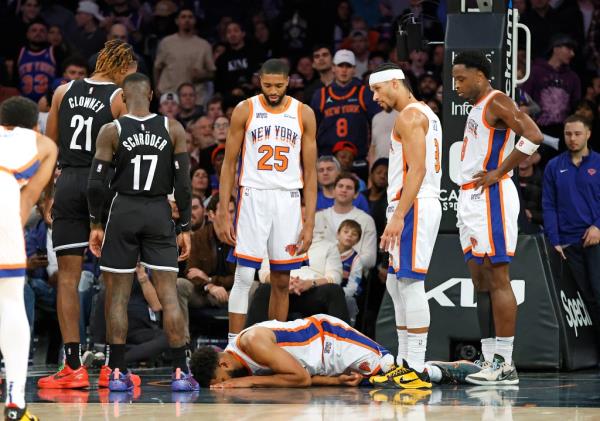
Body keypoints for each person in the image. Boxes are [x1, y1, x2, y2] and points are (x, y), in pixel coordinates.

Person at [86, 72, 198, 392]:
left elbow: (95, 183)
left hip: (123, 210)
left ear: (122, 97)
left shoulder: (112, 129)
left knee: (117, 297)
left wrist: (96, 223)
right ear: (150, 95)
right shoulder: (172, 127)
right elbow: (185, 186)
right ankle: (180, 372)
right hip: (158, 211)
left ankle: (118, 373)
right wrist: (185, 226)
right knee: (169, 296)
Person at [38, 39, 137, 390]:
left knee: (67, 277)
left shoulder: (62, 92)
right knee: (114, 278)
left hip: (67, 182)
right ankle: (113, 366)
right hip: (103, 185)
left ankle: (72, 365)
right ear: (122, 67)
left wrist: (46, 195)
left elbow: (48, 147)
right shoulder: (119, 97)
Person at [451, 51, 543, 385]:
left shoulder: (497, 100)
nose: (456, 85)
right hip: (469, 197)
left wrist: (500, 171)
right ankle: (488, 360)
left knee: (498, 277)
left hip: (491, 195)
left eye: (461, 78)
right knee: (480, 281)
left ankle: (505, 361)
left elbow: (533, 134)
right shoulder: (478, 107)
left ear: (480, 74)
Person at [214, 58, 317, 345]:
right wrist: (223, 209)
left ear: (289, 82)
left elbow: (311, 172)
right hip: (253, 197)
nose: (273, 90)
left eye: (279, 85)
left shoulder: (303, 113)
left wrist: (310, 221)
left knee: (282, 280)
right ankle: (234, 346)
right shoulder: (245, 109)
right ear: (259, 80)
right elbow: (228, 164)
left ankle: (273, 344)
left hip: (288, 199)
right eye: (267, 84)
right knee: (244, 275)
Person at [366, 63, 443, 389]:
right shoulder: (422, 113)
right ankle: (403, 360)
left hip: (414, 205)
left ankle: (416, 365)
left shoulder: (409, 116)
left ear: (395, 83)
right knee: (397, 284)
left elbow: (418, 170)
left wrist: (398, 215)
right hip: (410, 204)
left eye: (377, 90)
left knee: (410, 284)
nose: (374, 97)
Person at [190, 314, 479, 388]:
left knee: (405, 375)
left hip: (332, 340)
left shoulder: (251, 342)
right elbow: (292, 376)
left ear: (224, 365)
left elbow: (298, 377)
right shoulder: (239, 360)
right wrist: (332, 381)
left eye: (225, 382)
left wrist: (247, 382)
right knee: (386, 382)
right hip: (323, 364)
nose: (230, 388)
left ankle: (468, 370)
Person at [0, 96, 57, 421]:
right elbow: (28, 202)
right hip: (5, 194)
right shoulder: (42, 142)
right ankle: (15, 404)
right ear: (34, 124)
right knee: (10, 303)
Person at [542, 115, 600, 340]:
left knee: (598, 292)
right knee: (585, 296)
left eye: (577, 134)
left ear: (588, 134)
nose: (572, 139)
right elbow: (549, 205)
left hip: (595, 239)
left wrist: (597, 226)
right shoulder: (554, 166)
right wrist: (554, 240)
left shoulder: (598, 163)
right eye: (568, 134)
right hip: (568, 242)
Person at [310, 49, 380, 161]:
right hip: (327, 157)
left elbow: (378, 124)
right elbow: (311, 130)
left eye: (348, 66)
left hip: (359, 156)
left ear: (354, 69)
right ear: (333, 68)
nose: (344, 70)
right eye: (340, 66)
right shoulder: (320, 95)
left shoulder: (365, 93)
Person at [314, 173, 377, 271]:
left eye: (349, 188)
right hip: (320, 272)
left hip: (352, 275)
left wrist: (346, 261)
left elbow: (371, 259)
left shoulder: (366, 220)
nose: (344, 190)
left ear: (356, 194)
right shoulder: (319, 217)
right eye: (340, 186)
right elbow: (312, 248)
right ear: (333, 191)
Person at [153, 7, 215, 105]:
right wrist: (156, 88)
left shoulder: (204, 45)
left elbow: (212, 73)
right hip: (170, 96)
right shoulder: (166, 43)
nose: (187, 20)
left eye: (190, 17)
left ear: (194, 21)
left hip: (195, 98)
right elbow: (157, 68)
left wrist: (202, 75)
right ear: (177, 21)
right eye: (183, 17)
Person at [16, 19, 57, 103]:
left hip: (48, 103)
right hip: (24, 102)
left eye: (42, 31)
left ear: (47, 35)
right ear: (27, 34)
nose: (38, 33)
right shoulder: (19, 52)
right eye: (34, 30)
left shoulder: (55, 52)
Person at [337, 219, 364, 323]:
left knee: (350, 302)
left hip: (344, 295)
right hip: (325, 289)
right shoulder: (328, 250)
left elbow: (353, 287)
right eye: (346, 232)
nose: (349, 235)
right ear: (338, 234)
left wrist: (336, 294)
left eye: (354, 234)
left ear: (357, 240)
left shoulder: (356, 259)